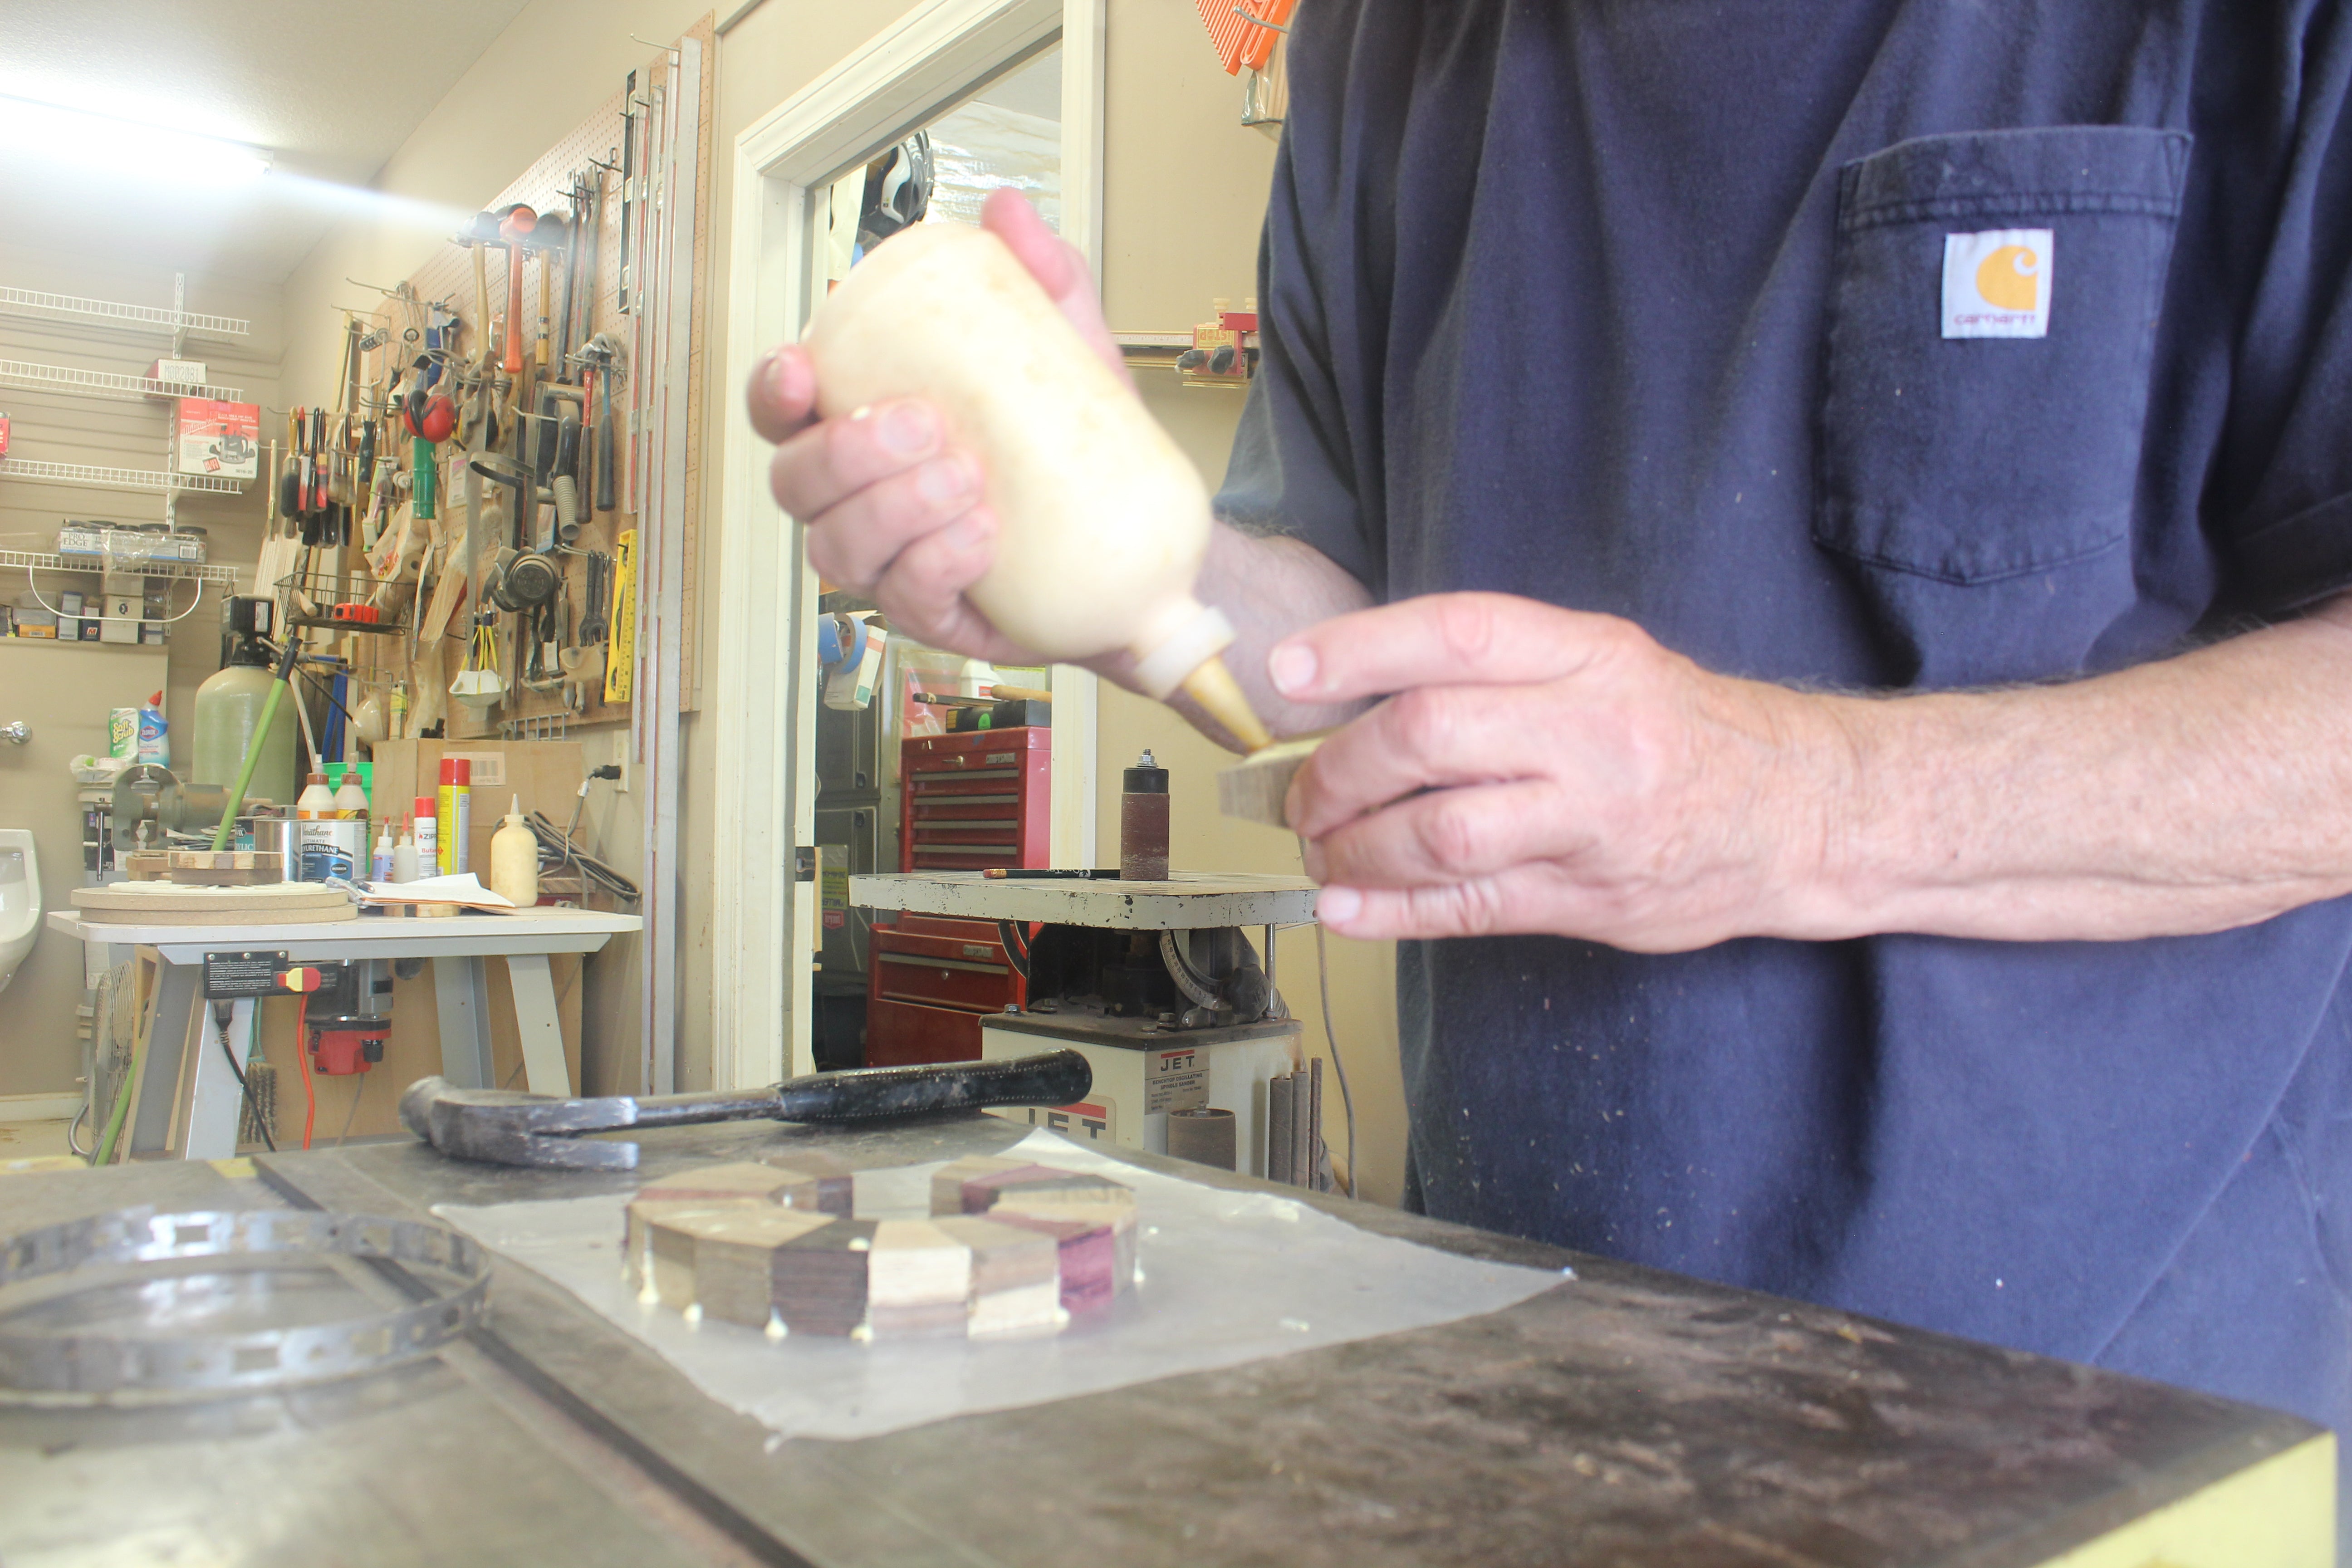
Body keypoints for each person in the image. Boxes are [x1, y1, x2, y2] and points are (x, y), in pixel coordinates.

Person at [752, 0, 2352, 1495]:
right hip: (1532, 1380)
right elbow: (1351, 630)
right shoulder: (1388, 43)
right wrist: (1102, 559)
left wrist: (1788, 802)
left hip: (2111, 1420)